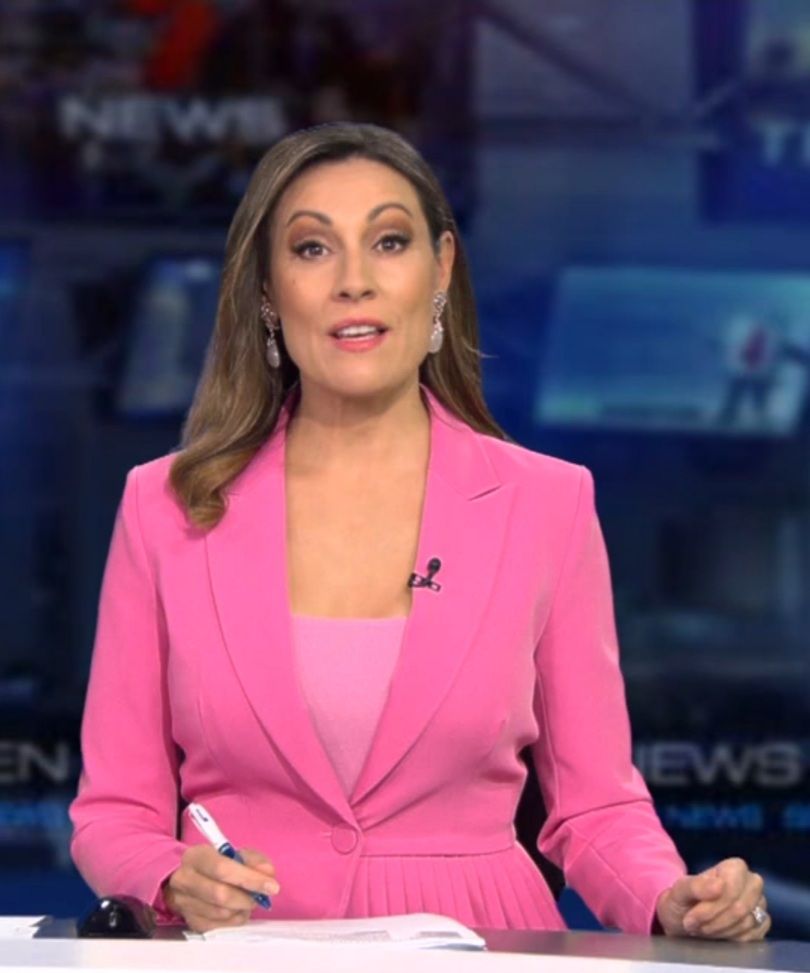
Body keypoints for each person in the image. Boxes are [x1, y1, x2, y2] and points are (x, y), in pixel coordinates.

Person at [70, 122, 769, 941]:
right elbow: (114, 811)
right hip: (245, 946)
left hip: (479, 943)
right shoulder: (165, 505)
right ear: (266, 290)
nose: (354, 282)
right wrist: (166, 877)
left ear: (439, 269)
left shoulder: (546, 503)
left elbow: (596, 807)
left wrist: (669, 897)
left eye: (389, 242)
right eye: (312, 249)